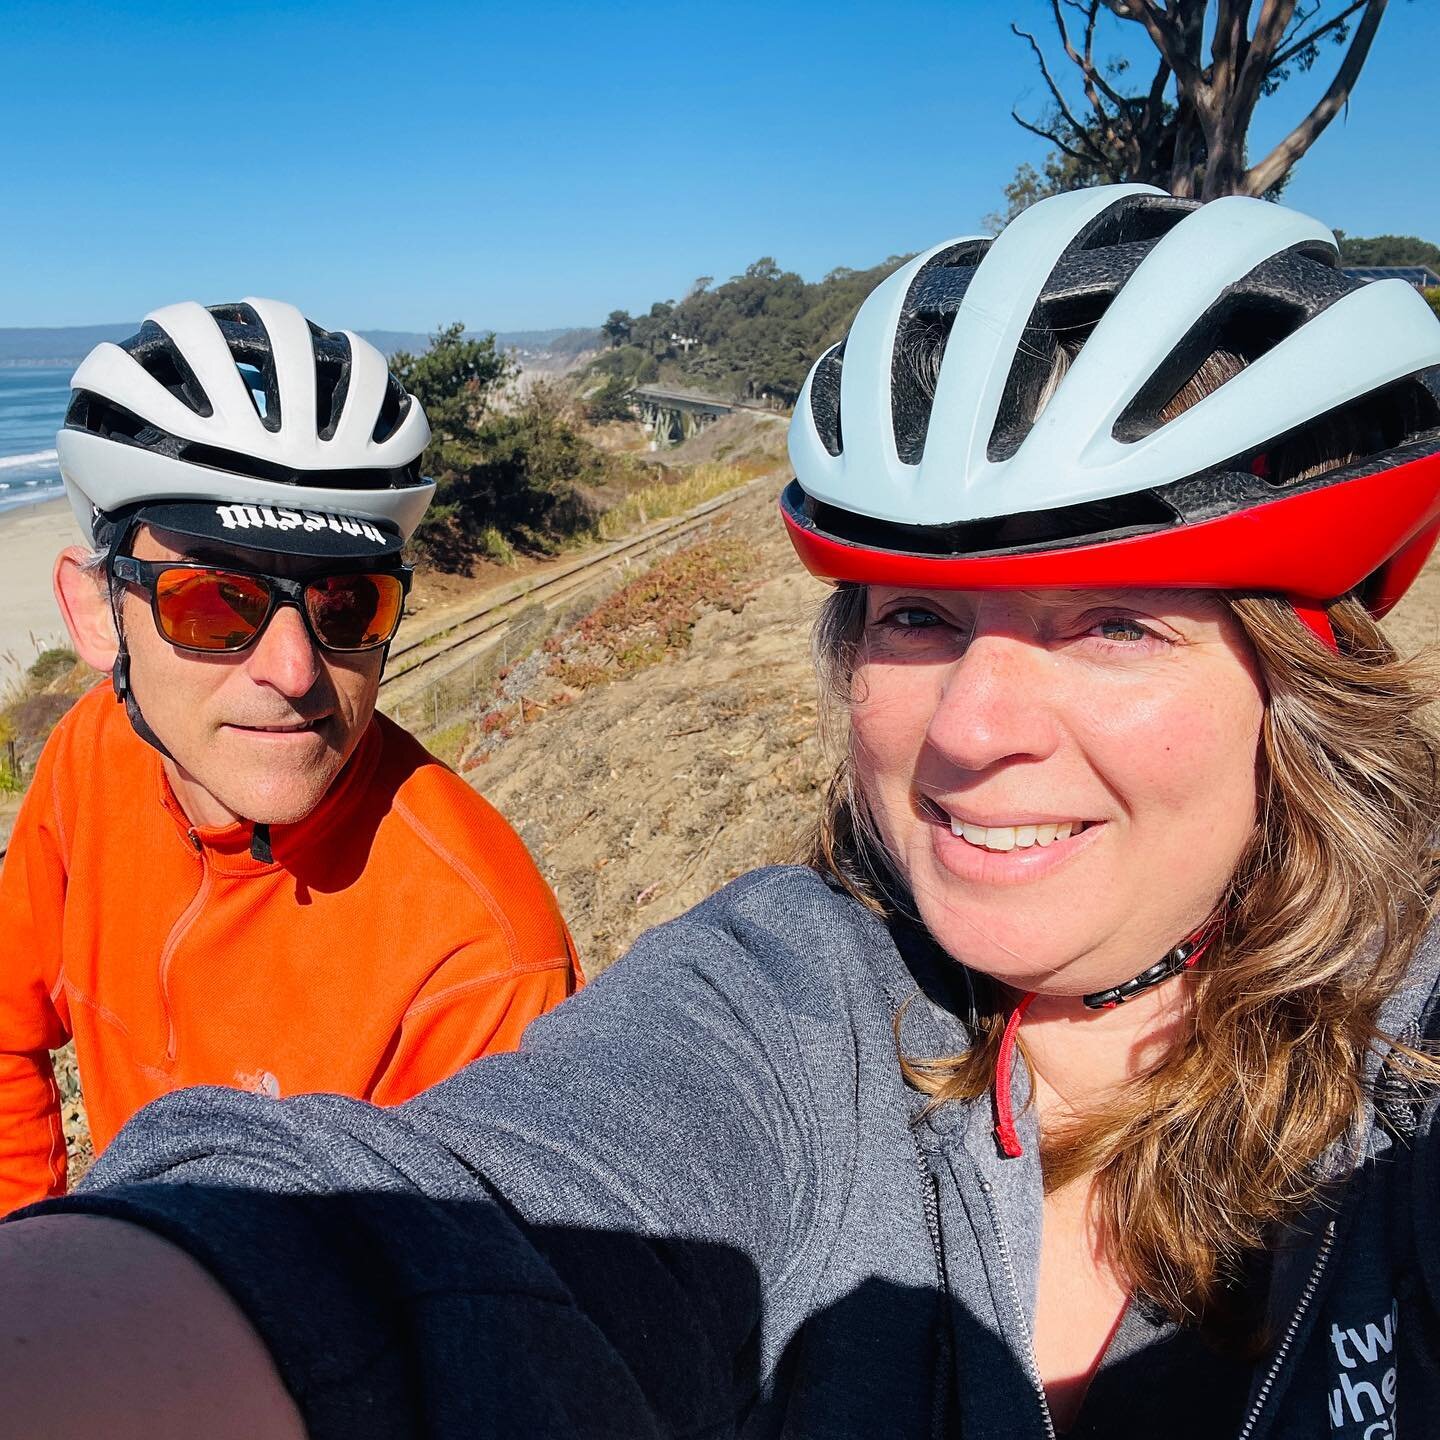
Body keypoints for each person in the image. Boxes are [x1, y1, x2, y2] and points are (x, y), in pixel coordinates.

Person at [3, 187, 1440, 1439]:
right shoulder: (792, 1005)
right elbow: (434, 1249)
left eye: (1117, 625)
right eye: (921, 616)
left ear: (1302, 683)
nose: (973, 729)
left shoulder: (1410, 1090)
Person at [0, 298, 580, 1216]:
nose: (294, 668)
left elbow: (459, 1321)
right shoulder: (87, 757)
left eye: (347, 603)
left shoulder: (476, 954)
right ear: (96, 614)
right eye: (214, 601)